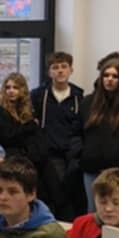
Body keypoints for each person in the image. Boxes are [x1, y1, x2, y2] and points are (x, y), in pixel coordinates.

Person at [31, 51, 86, 218]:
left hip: (72, 154)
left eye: (64, 67)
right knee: (56, 192)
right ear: (49, 72)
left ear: (71, 70)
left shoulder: (79, 96)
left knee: (73, 193)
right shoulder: (38, 95)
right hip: (49, 153)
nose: (60, 71)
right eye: (55, 67)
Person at [79, 60, 119, 202]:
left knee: (117, 209)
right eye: (106, 75)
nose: (109, 79)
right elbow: (76, 132)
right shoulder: (88, 102)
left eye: (115, 76)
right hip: (91, 169)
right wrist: (80, 154)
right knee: (94, 210)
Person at [0, 73, 50, 180]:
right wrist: (30, 126)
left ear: (22, 90)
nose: (11, 91)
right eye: (8, 87)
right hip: (10, 153)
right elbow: (8, 135)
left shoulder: (26, 110)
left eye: (15, 88)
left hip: (27, 153)